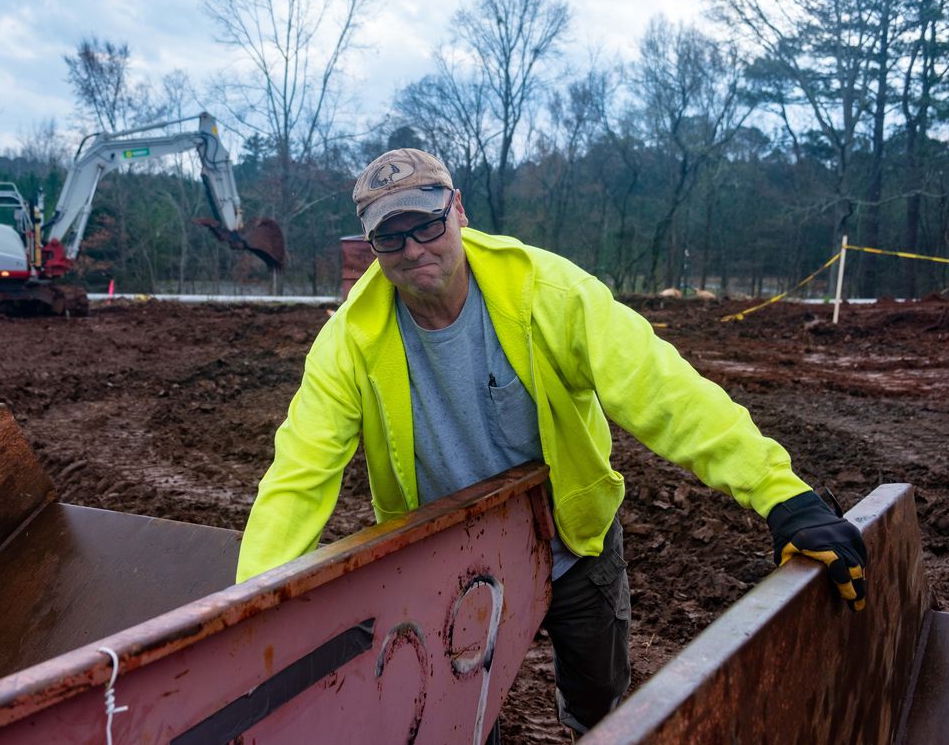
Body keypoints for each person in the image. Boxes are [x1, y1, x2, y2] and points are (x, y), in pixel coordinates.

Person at [236, 148, 867, 737]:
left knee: (600, 708)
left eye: (426, 225)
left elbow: (664, 389)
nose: (413, 249)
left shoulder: (547, 293)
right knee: (453, 718)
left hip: (572, 539)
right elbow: (297, 475)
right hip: (446, 559)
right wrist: (254, 619)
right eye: (390, 237)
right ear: (372, 246)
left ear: (458, 210)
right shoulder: (349, 341)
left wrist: (783, 495)